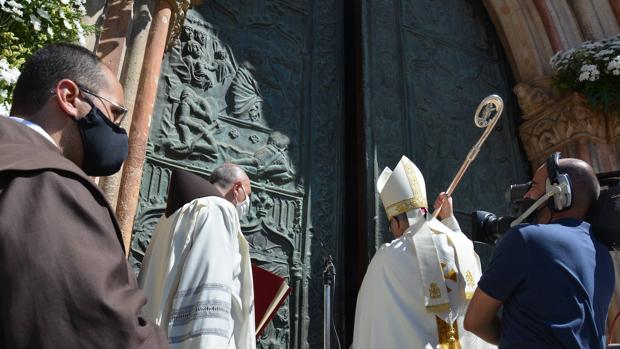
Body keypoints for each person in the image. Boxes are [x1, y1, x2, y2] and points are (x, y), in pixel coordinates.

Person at [0, 43, 167, 347]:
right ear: (69, 97)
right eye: (114, 113)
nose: (117, 129)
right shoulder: (48, 185)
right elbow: (106, 331)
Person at [464, 153, 614, 348]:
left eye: (534, 186)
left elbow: (475, 321)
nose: (526, 195)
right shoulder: (604, 254)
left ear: (560, 191)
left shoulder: (526, 238)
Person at [352, 155, 494, 349]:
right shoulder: (462, 246)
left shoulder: (387, 260)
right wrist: (449, 221)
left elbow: (372, 323)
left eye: (391, 226)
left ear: (396, 222)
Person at [139, 164, 256, 349]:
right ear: (237, 187)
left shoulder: (173, 215)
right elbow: (208, 288)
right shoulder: (219, 211)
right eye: (247, 195)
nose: (246, 203)